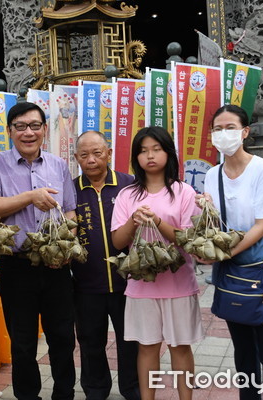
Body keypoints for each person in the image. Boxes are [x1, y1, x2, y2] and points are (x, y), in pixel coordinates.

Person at [0, 102, 77, 400]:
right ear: (10, 131)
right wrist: (30, 197)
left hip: (56, 265)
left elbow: (70, 213)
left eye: (35, 125)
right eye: (20, 126)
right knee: (22, 343)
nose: (28, 132)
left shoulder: (58, 165)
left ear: (45, 129)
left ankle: (64, 393)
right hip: (16, 265)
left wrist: (65, 246)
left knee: (62, 337)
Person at [197, 104, 263, 399]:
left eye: (230, 128)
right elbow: (216, 222)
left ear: (245, 132)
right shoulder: (213, 174)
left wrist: (225, 252)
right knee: (244, 352)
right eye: (217, 129)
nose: (223, 134)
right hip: (231, 274)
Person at [111, 127, 203, 400]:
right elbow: (118, 242)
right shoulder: (128, 195)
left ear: (168, 152)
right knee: (147, 348)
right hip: (142, 287)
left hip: (179, 285)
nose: (149, 155)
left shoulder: (183, 191)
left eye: (156, 149)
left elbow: (188, 240)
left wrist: (159, 222)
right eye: (142, 151)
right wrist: (134, 220)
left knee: (180, 348)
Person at [71, 131, 140, 400]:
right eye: (84, 155)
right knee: (90, 342)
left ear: (108, 153)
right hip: (86, 283)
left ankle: (132, 388)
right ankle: (96, 390)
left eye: (97, 153)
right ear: (76, 158)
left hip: (128, 282)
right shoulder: (71, 189)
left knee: (130, 341)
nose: (91, 160)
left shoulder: (129, 184)